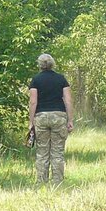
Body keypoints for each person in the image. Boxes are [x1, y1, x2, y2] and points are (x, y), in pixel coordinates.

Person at [28, 54, 73, 185]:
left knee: (42, 152)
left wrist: (31, 122)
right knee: (57, 152)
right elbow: (68, 101)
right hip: (59, 117)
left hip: (41, 117)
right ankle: (57, 183)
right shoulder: (61, 79)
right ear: (53, 64)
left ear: (40, 64)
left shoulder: (35, 80)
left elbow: (33, 102)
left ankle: (41, 183)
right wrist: (70, 120)